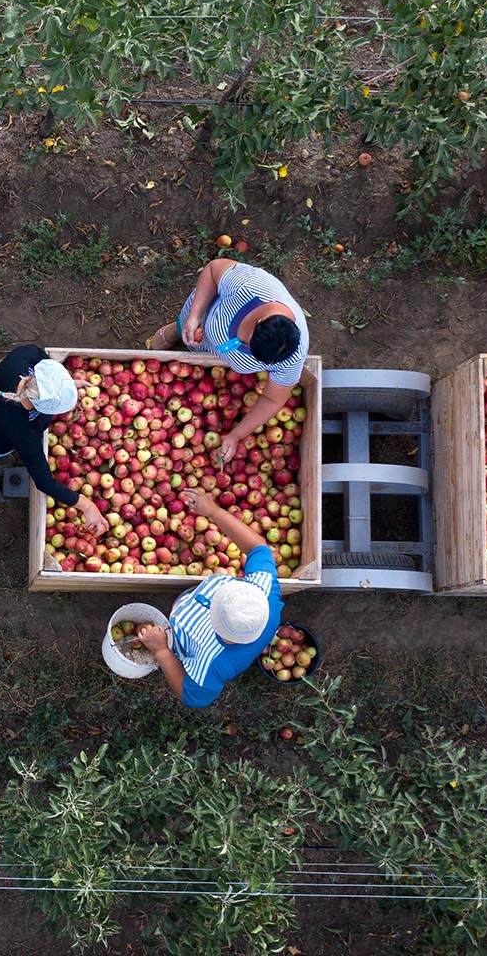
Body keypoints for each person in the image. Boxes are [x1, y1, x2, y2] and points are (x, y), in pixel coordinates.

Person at [147, 258, 309, 465]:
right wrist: (194, 316)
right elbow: (213, 270)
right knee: (185, 325)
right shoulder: (247, 286)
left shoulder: (291, 356)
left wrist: (236, 435)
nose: (246, 350)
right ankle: (177, 330)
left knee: (193, 348)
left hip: (214, 350)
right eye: (249, 347)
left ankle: (189, 339)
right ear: (259, 321)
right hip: (204, 317)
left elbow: (273, 399)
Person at [136, 487, 282, 707]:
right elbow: (258, 548)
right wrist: (214, 511)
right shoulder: (263, 593)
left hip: (177, 643)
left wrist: (162, 651)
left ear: (218, 629)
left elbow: (192, 698)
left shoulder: (215, 664)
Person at [0, 345, 106, 536]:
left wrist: (65, 387)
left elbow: (41, 365)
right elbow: (45, 482)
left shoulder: (21, 360)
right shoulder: (26, 431)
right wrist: (87, 506)